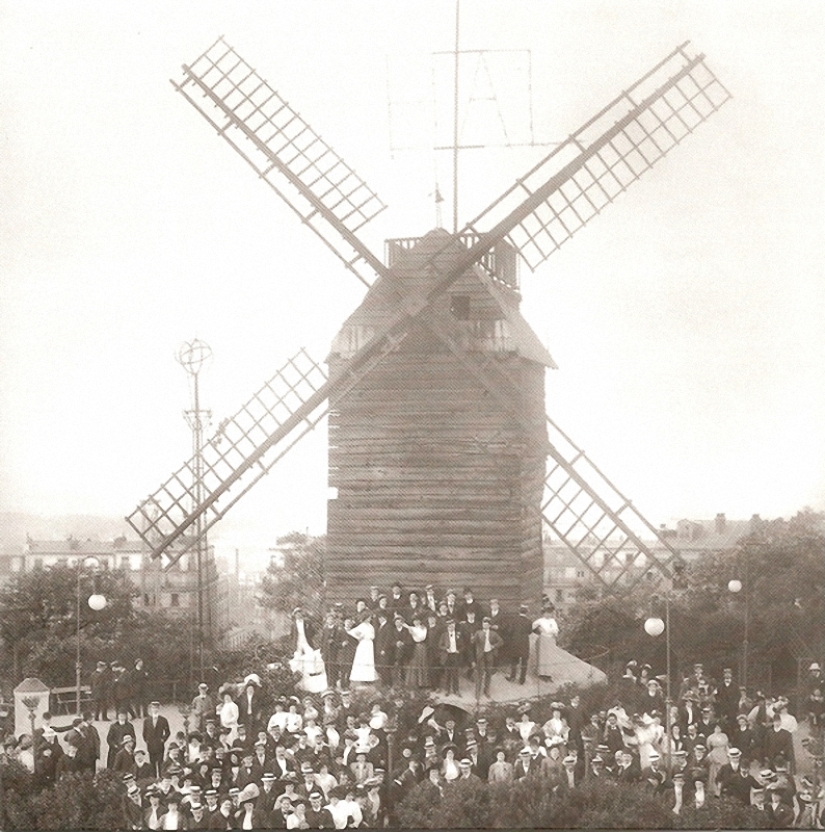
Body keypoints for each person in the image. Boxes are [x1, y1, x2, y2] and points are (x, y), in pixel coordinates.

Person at [291, 607, 328, 694]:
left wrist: (308, 633)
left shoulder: (307, 622)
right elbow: (292, 635)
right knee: (297, 658)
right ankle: (298, 674)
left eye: (299, 613)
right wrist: (294, 643)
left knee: (310, 656)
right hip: (298, 642)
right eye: (296, 614)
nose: (298, 615)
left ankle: (312, 672)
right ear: (294, 615)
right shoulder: (293, 624)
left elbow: (313, 632)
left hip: (306, 641)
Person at [472, 617, 503, 699]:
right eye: (483, 624)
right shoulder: (478, 632)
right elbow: (472, 642)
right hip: (481, 656)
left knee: (488, 674)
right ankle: (477, 693)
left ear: (489, 625)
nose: (484, 626)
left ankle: (486, 691)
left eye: (486, 625)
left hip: (489, 655)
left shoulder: (493, 634)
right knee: (479, 674)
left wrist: (494, 646)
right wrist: (472, 638)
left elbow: (501, 641)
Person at [346, 610, 378, 685]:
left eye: (370, 618)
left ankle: (369, 678)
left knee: (369, 660)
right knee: (363, 660)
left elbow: (373, 635)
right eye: (368, 618)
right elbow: (352, 632)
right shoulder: (362, 626)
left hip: (370, 644)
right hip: (363, 644)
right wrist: (359, 637)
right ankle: (362, 677)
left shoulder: (371, 626)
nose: (370, 619)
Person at [143, 700, 171, 777]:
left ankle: (161, 777)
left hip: (159, 745)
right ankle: (154, 778)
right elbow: (144, 733)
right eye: (153, 708)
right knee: (152, 764)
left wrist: (163, 740)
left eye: (156, 708)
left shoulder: (163, 720)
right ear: (151, 709)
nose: (155, 709)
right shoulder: (147, 720)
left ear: (158, 709)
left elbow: (168, 732)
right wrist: (147, 741)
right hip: (151, 745)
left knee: (160, 763)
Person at [532, 604, 560, 679]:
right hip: (543, 639)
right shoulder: (540, 621)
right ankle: (542, 674)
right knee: (543, 656)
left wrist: (554, 632)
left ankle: (548, 674)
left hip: (551, 640)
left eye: (549, 613)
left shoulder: (553, 621)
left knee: (549, 657)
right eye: (546, 613)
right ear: (544, 613)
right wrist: (538, 630)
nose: (548, 614)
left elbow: (556, 629)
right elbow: (532, 627)